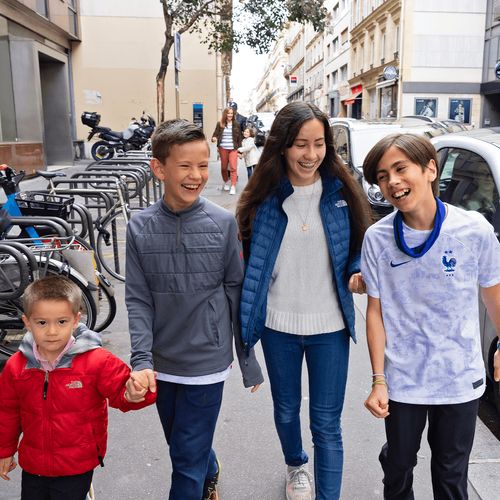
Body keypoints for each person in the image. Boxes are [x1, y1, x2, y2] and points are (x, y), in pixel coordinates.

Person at [236, 102, 371, 500]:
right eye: (300, 145)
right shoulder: (261, 200)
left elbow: (362, 244)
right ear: (281, 146)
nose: (310, 155)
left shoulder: (342, 193)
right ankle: (296, 466)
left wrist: (358, 269)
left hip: (330, 327)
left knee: (327, 424)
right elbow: (246, 265)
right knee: (285, 410)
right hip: (278, 327)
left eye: (318, 144)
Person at [125, 119, 263, 500]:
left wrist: (247, 359)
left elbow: (237, 291)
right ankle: (210, 465)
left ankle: (199, 475)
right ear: (159, 168)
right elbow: (137, 298)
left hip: (207, 361)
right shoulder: (139, 227)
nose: (196, 175)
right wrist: (141, 360)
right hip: (161, 362)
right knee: (182, 446)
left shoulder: (222, 223)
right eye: (185, 166)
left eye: (203, 165)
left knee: (185, 461)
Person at [360, 133, 500, 500]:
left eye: (400, 169)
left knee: (451, 473)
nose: (392, 182)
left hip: (459, 376)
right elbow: (374, 312)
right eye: (382, 175)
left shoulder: (474, 230)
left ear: (430, 169)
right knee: (399, 467)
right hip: (403, 379)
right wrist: (378, 379)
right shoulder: (377, 238)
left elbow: (493, 296)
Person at [0, 276, 155, 499]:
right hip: (34, 464)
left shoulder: (96, 361)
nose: (52, 331)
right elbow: (7, 411)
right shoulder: (17, 366)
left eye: (61, 322)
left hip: (77, 464)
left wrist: (136, 392)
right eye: (42, 322)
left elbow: (124, 391)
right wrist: (5, 450)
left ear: (76, 320)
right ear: (27, 322)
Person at [211, 107, 242, 195]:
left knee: (233, 167)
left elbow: (239, 138)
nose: (230, 115)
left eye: (231, 113)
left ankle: (233, 186)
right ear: (225, 114)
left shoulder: (236, 124)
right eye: (228, 113)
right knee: (224, 168)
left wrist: (240, 151)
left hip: (233, 148)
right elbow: (215, 134)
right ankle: (226, 181)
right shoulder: (220, 124)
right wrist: (214, 138)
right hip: (223, 148)